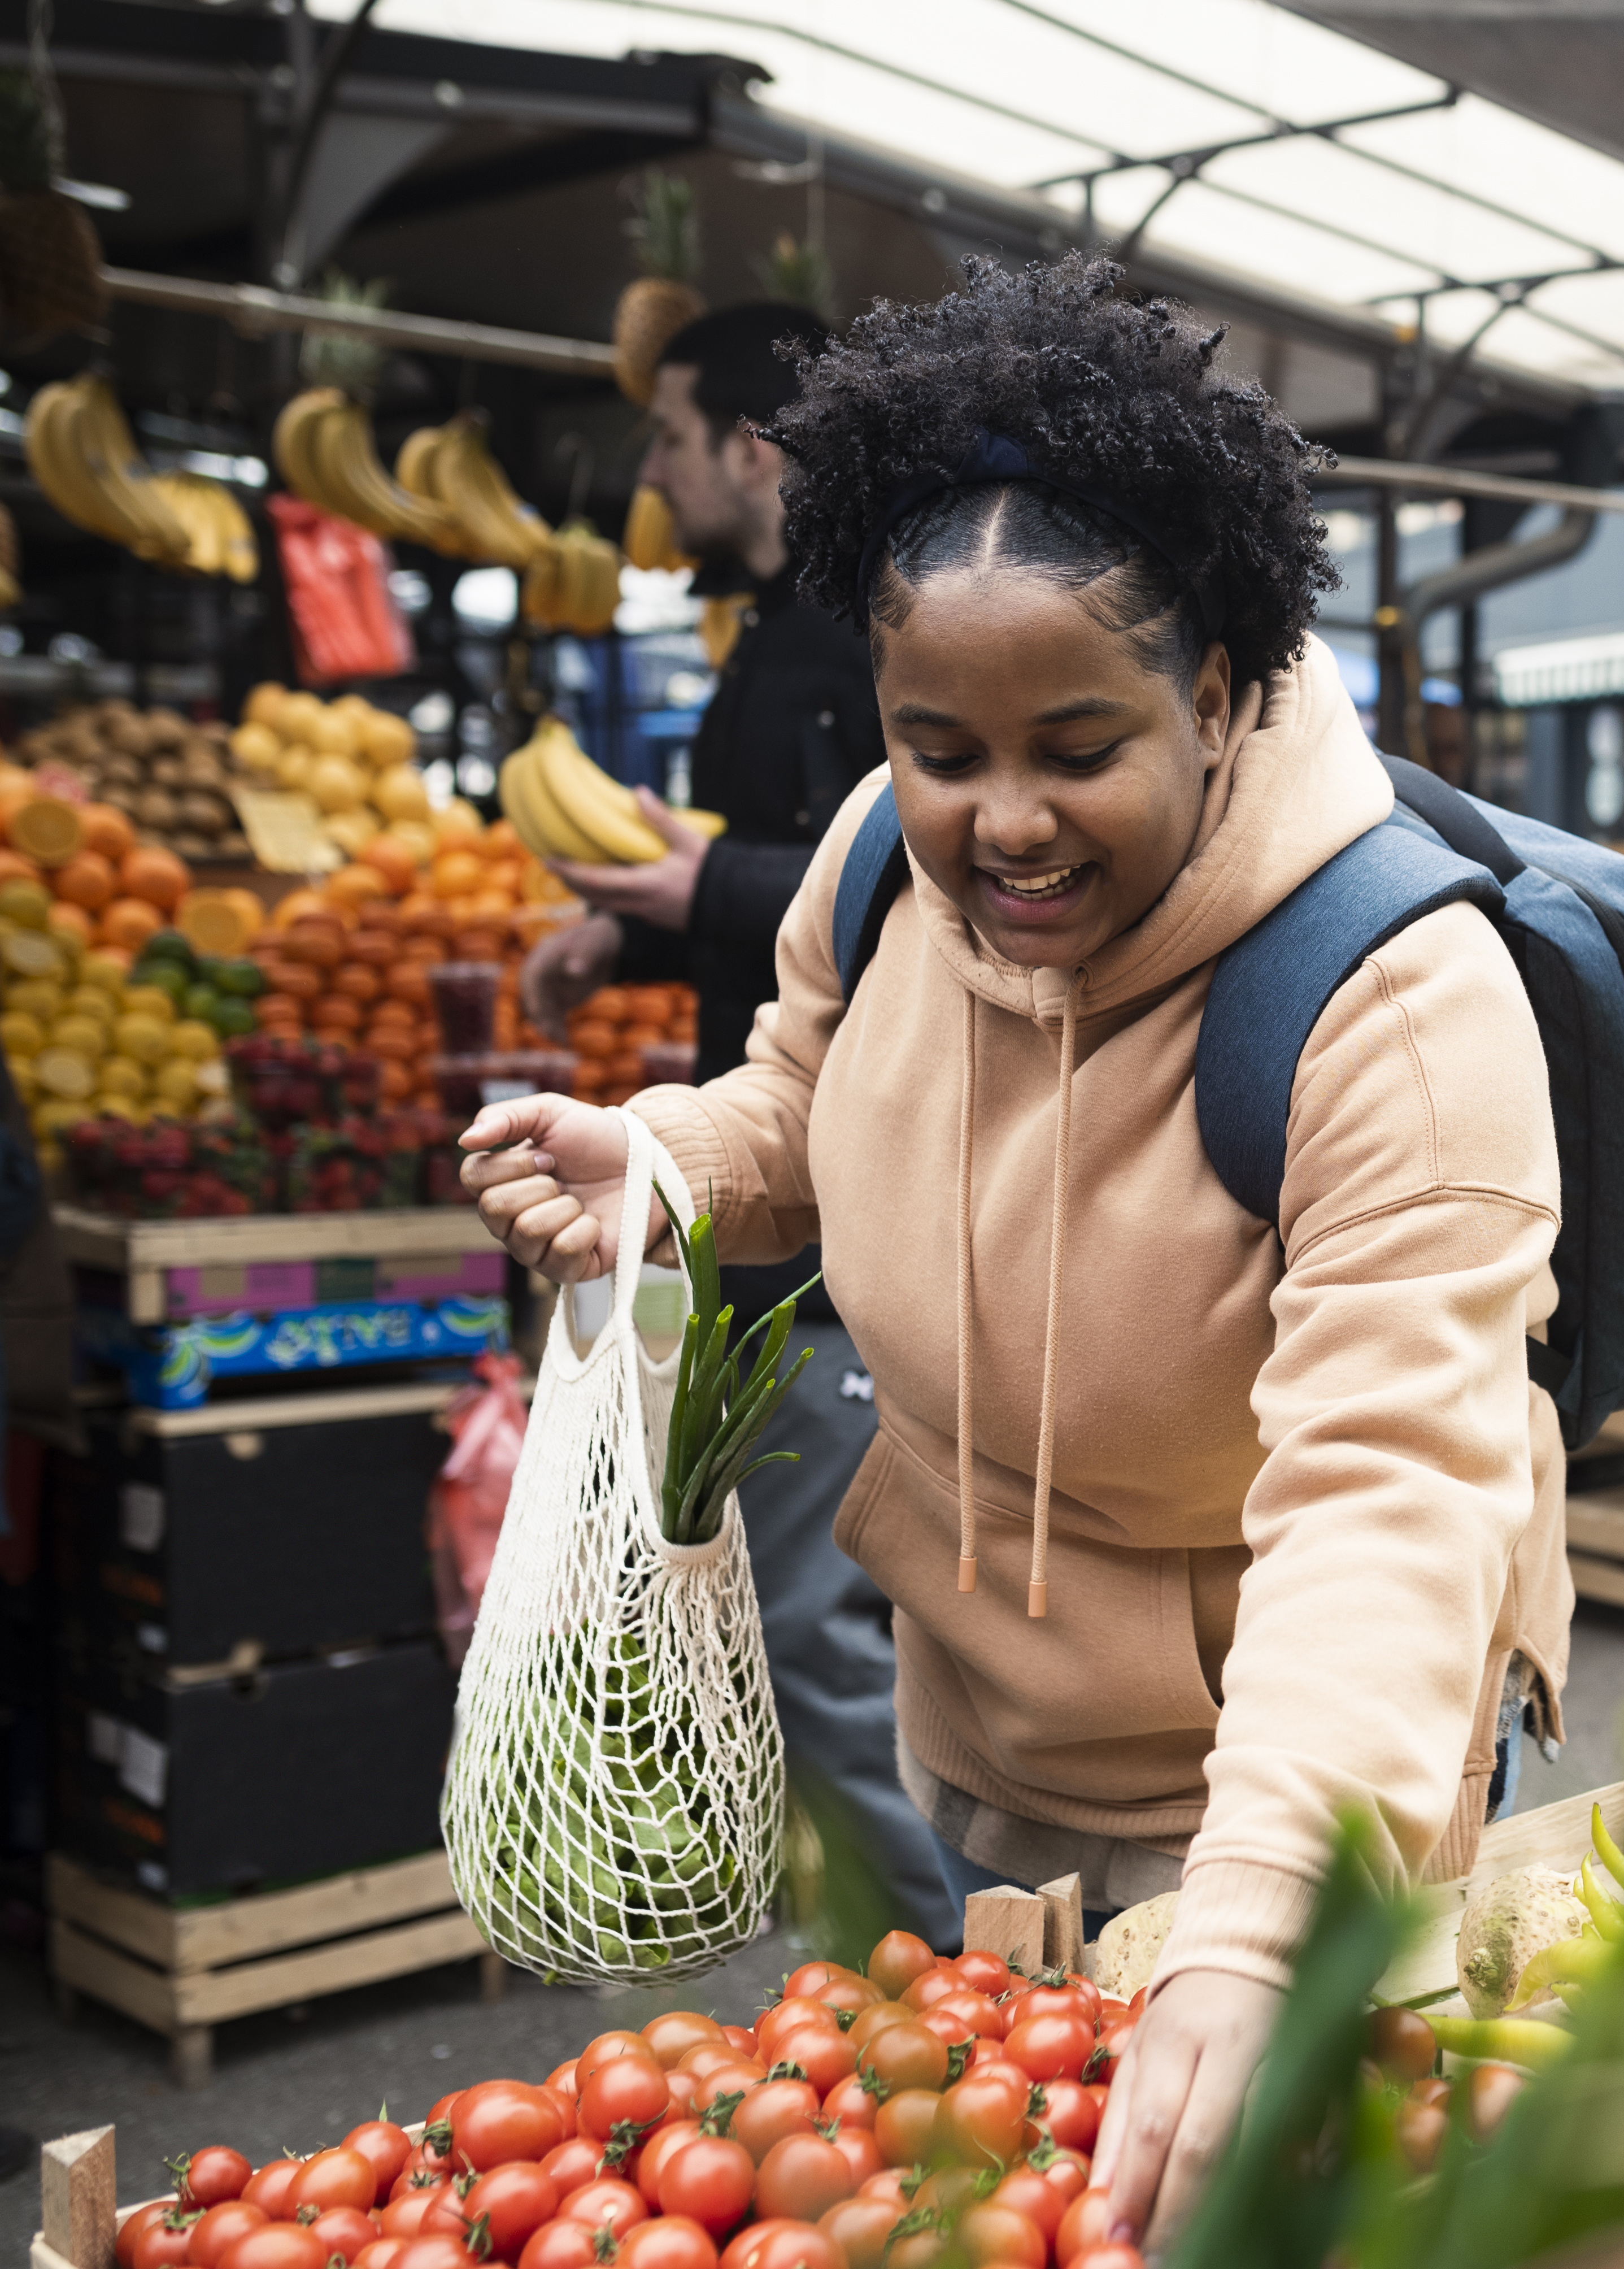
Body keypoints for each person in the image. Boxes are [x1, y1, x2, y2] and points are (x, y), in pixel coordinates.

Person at [457, 255, 1569, 2250]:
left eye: (1079, 746)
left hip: (1299, 1757)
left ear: (1217, 692)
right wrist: (675, 1161)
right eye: (941, 751)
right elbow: (812, 1089)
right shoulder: (880, 868)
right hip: (983, 1729)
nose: (1004, 826)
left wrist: (1258, 1928)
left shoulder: (1399, 1007)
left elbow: (1396, 1492)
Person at [515, 302, 956, 1949]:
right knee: (787, 1619)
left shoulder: (880, 634)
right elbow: (806, 920)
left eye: (670, 437)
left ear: (752, 449)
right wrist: (638, 929)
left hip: (852, 1237)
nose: (653, 471)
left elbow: (916, 897)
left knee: (822, 1639)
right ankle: (880, 1978)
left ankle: (939, 1996)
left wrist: (699, 885)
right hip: (765, 1197)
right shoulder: (778, 631)